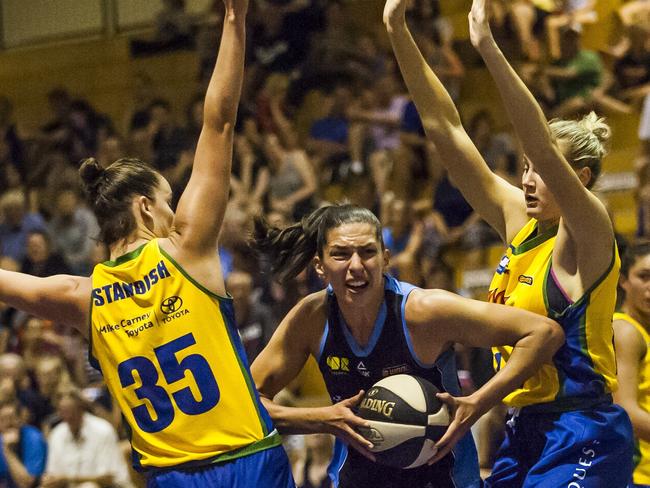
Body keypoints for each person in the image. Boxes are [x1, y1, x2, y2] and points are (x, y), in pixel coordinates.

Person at [0, 2, 294, 486]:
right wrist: (234, 20)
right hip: (249, 460)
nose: (176, 211)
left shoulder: (83, 298)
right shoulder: (186, 250)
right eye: (169, 200)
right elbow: (219, 122)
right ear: (144, 207)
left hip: (172, 477)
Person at [382, 0, 634, 485]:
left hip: (583, 429)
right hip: (522, 431)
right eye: (524, 169)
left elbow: (539, 141)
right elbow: (446, 130)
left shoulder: (588, 229)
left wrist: (488, 47)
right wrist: (398, 31)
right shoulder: (520, 223)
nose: (529, 179)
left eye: (541, 170)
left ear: (578, 179)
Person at [251, 203, 565, 488]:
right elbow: (248, 405)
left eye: (368, 252)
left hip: (445, 480)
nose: (356, 265)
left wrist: (479, 402)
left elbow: (544, 333)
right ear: (320, 266)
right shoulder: (312, 318)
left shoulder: (425, 311)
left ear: (386, 259)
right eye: (341, 254)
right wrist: (324, 419)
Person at [41, 388, 133, 488]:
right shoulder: (57, 434)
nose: (68, 417)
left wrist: (68, 479)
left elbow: (108, 478)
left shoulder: (103, 430)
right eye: (64, 413)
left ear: (81, 409)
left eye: (71, 412)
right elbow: (53, 474)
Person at [614, 242, 650, 488]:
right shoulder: (625, 330)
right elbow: (625, 410)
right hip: (636, 475)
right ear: (623, 280)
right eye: (644, 277)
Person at [0, 397, 47, 488]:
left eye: (11, 418)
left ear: (20, 419)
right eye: (2, 420)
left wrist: (7, 451)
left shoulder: (33, 437)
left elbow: (28, 483)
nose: (8, 424)